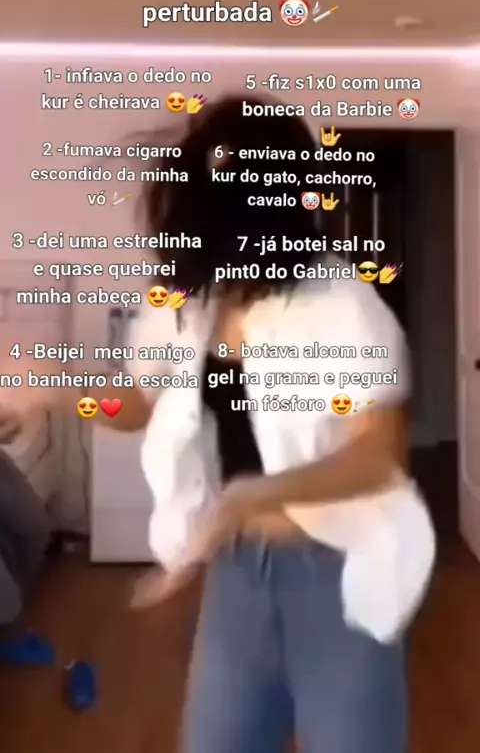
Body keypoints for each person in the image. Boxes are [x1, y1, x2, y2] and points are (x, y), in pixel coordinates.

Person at [125, 97, 435, 753]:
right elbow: (142, 402)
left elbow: (378, 455)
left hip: (340, 571)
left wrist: (253, 494)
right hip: (236, 575)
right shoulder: (194, 305)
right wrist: (54, 394)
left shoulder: (343, 306)